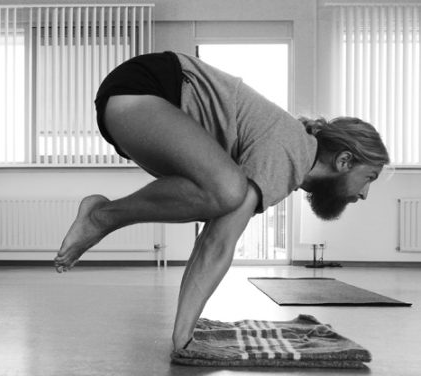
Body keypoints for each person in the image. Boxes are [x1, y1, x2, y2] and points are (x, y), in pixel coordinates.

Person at [54, 51, 390, 350]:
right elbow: (217, 243)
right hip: (146, 90)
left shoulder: (288, 156)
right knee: (228, 190)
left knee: (225, 192)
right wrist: (184, 335)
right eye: (368, 178)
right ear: (344, 161)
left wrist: (183, 332)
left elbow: (214, 233)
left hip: (134, 106)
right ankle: (100, 217)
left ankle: (102, 215)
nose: (364, 194)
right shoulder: (291, 152)